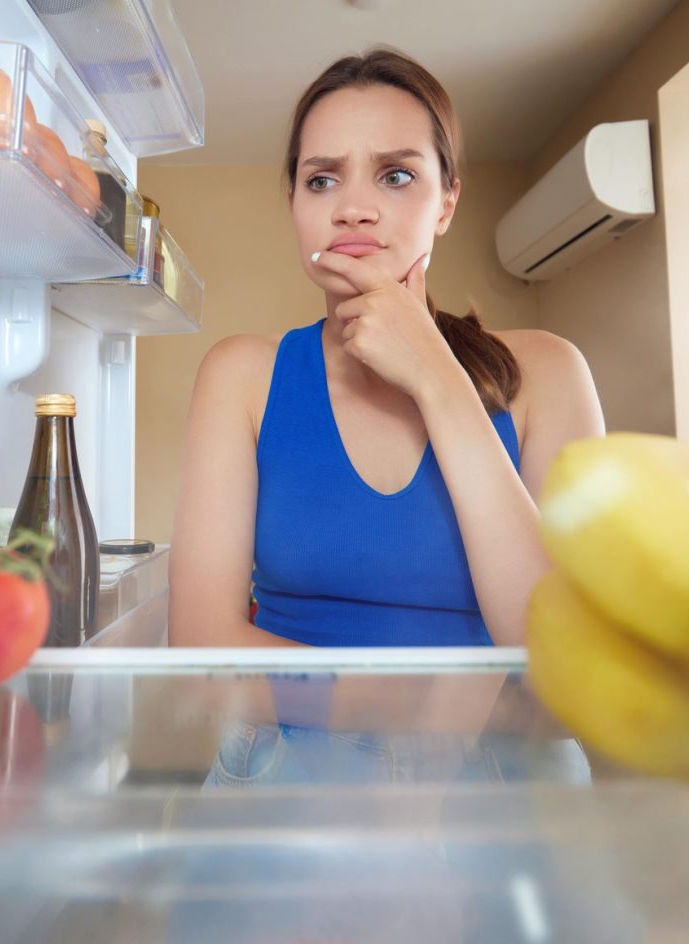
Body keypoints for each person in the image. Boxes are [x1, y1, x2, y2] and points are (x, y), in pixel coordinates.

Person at [168, 47, 605, 648]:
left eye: (396, 175)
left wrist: (436, 378)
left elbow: (562, 658)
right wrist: (409, 714)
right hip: (289, 742)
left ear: (446, 203)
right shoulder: (241, 374)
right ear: (294, 204)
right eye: (321, 179)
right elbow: (201, 645)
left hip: (497, 747)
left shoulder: (550, 370)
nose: (352, 209)